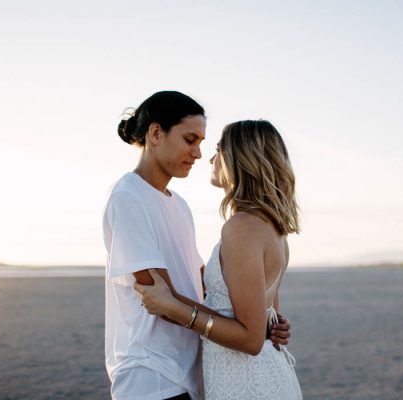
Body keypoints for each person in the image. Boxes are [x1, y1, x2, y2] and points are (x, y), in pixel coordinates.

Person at [102, 92, 291, 400]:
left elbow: (198, 287)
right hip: (153, 375)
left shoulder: (180, 206)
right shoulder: (128, 197)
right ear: (155, 134)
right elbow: (158, 297)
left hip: (192, 371)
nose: (199, 154)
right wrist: (249, 327)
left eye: (203, 143)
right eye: (190, 140)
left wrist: (262, 318)